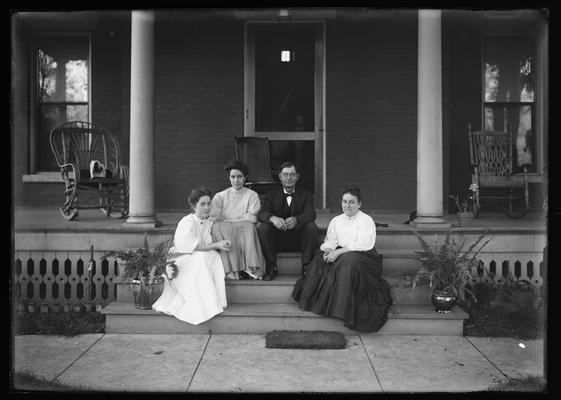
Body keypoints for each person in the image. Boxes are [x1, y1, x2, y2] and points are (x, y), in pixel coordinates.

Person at [292, 184, 393, 333]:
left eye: (352, 202)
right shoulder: (336, 220)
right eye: (345, 201)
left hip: (365, 256)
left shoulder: (366, 220)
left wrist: (338, 253)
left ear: (359, 204)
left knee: (348, 262)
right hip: (344, 253)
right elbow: (331, 240)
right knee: (320, 260)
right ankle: (311, 301)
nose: (347, 205)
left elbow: (363, 244)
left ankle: (341, 309)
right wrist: (328, 250)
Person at [152, 187, 230, 325]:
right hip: (182, 256)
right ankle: (200, 304)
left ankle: (210, 300)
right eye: (202, 204)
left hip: (198, 253)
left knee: (213, 257)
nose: (207, 207)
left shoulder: (208, 222)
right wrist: (216, 245)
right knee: (203, 258)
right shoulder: (187, 221)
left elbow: (206, 242)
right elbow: (189, 246)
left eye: (208, 204)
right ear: (194, 206)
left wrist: (218, 242)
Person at [257, 161, 319, 281]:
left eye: (292, 174)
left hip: (299, 239)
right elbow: (262, 213)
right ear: (280, 177)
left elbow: (311, 214)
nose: (289, 178)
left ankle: (306, 266)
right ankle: (271, 266)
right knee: (264, 228)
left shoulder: (306, 195)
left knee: (311, 227)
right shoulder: (271, 195)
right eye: (285, 174)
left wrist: (297, 220)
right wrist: (272, 218)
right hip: (277, 239)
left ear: (297, 177)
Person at [210, 159, 265, 280]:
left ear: (245, 177)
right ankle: (230, 270)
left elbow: (251, 217)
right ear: (229, 178)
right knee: (217, 227)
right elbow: (215, 218)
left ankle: (250, 267)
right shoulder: (220, 196)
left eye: (239, 177)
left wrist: (228, 220)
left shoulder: (252, 195)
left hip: (243, 226)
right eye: (233, 177)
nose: (236, 180)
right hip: (225, 227)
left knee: (248, 226)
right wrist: (235, 219)